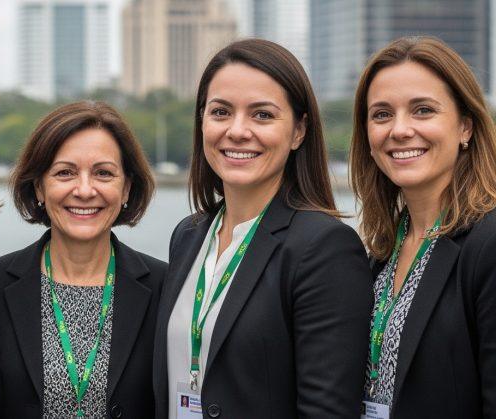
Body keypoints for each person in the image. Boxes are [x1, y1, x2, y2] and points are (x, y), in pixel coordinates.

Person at [153, 39, 373, 418]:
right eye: (220, 112)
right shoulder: (187, 236)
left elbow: (327, 410)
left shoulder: (324, 247)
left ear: (299, 131)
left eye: (262, 115)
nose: (237, 131)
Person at [0, 101, 166, 418]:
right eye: (65, 172)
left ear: (126, 188)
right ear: (39, 187)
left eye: (103, 173)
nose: (84, 190)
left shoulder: (166, 287)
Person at [350, 36, 496, 418]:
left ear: (465, 126)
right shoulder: (382, 252)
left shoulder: (489, 243)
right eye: (381, 114)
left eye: (423, 110)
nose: (399, 130)